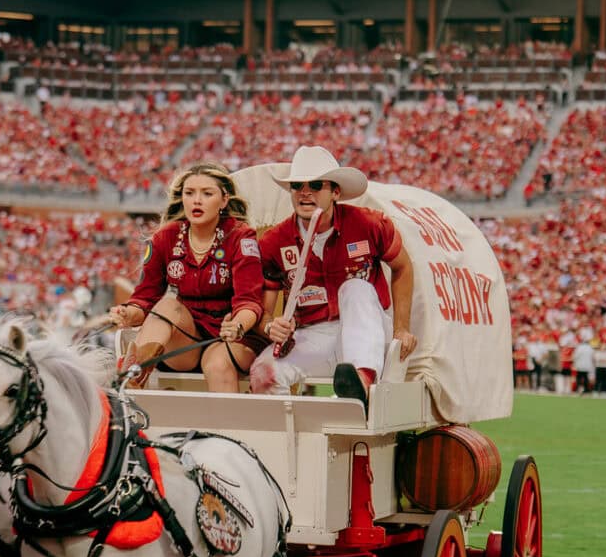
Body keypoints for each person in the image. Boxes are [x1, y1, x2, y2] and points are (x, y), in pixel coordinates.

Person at [249, 146, 417, 409]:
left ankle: (360, 381)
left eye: (316, 185)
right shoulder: (274, 242)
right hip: (314, 332)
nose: (305, 192)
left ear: (335, 192)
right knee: (263, 374)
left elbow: (403, 267)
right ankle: (287, 443)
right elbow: (265, 313)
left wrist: (401, 327)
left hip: (368, 327)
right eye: (297, 186)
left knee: (355, 288)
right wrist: (272, 326)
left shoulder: (369, 224)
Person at [108, 162, 264, 392]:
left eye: (207, 193)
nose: (196, 200)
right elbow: (145, 298)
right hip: (187, 341)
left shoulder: (241, 237)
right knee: (168, 306)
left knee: (218, 363)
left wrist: (238, 325)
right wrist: (127, 314)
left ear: (224, 200)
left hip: (231, 338)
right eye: (189, 193)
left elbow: (249, 301)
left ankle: (225, 427)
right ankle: (132, 378)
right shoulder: (165, 237)